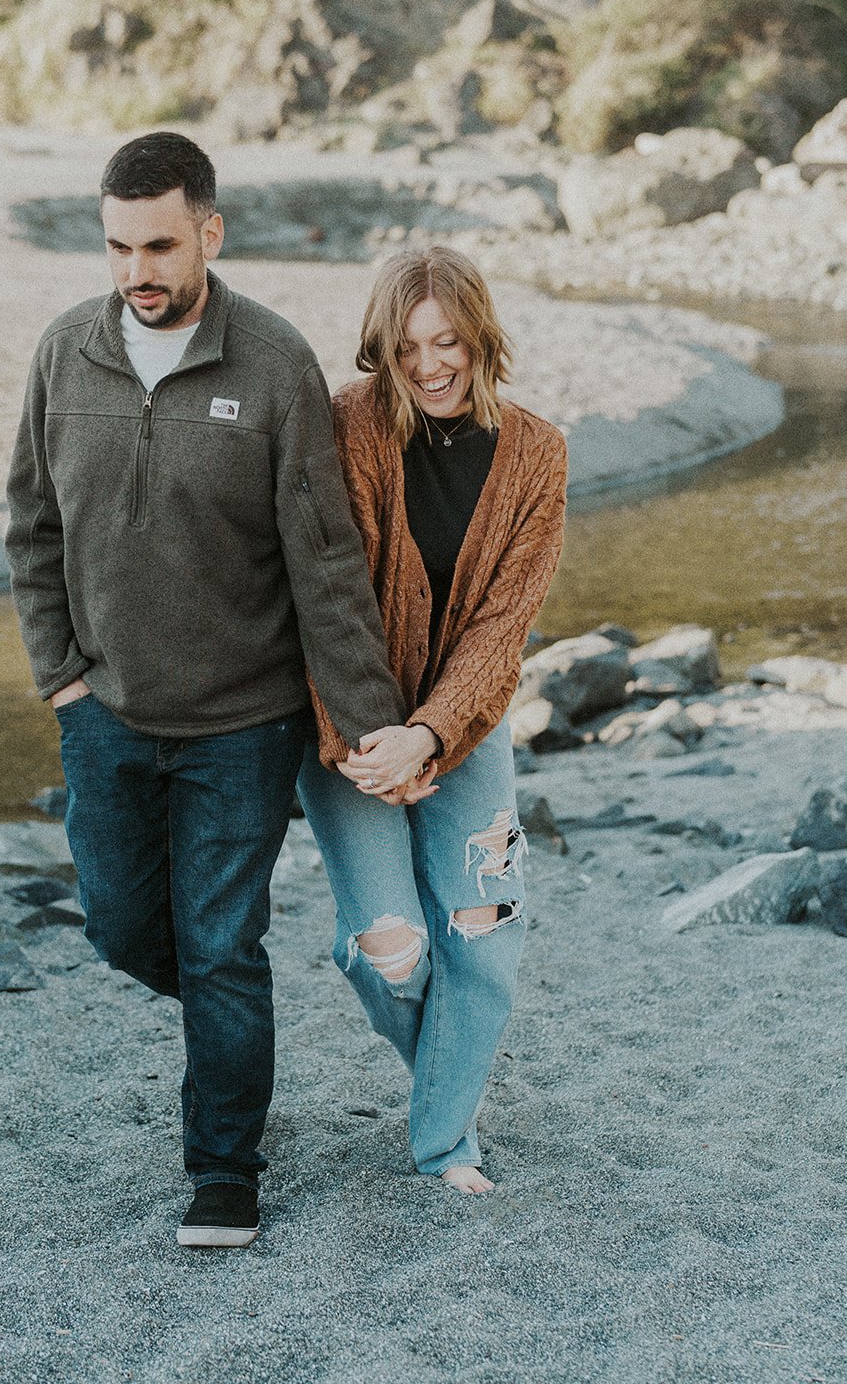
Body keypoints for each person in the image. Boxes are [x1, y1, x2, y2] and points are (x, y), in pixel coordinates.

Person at [5, 132, 405, 1248]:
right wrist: (63, 681)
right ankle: (235, 1030)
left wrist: (373, 722)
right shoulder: (63, 353)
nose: (140, 267)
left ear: (211, 233)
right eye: (121, 244)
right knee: (124, 927)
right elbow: (32, 527)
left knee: (222, 944)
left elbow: (324, 560)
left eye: (162, 243)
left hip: (244, 721)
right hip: (107, 714)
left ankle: (224, 1168)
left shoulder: (273, 363)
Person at [296, 245, 567, 1195]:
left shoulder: (537, 454)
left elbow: (501, 629)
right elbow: (325, 599)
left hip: (466, 725)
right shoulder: (344, 429)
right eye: (405, 348)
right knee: (394, 949)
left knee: (482, 928)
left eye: (447, 341)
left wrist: (434, 732)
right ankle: (447, 1091)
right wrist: (380, 735)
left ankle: (446, 1142)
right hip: (350, 730)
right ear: (383, 349)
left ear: (481, 336)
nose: (429, 367)